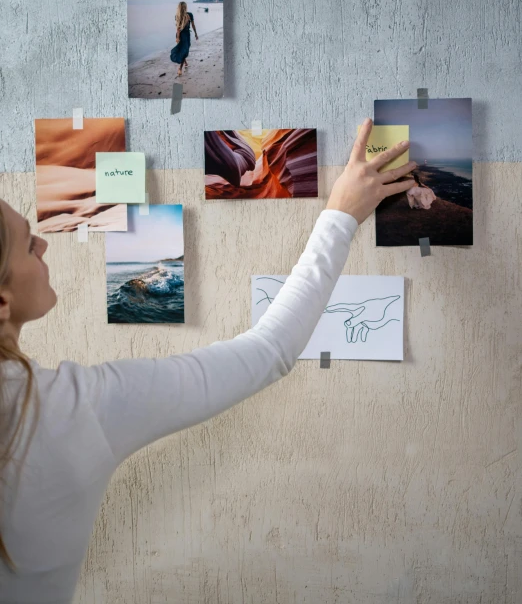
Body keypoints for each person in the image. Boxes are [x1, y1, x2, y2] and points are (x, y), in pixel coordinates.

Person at [0, 119, 415, 603]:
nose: (45, 243)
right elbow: (269, 350)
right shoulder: (66, 409)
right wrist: (340, 216)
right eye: (30, 243)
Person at [170, 1, 198, 76]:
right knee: (184, 51)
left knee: (183, 49)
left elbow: (179, 29)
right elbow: (180, 28)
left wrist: (178, 37)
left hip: (181, 35)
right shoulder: (182, 16)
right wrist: (195, 34)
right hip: (184, 35)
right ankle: (180, 69)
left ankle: (185, 62)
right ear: (184, 7)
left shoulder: (185, 15)